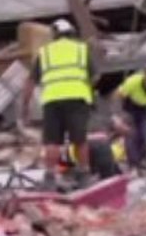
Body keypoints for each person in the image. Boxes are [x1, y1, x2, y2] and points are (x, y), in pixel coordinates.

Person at [21, 19, 96, 188]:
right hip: (77, 98)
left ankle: (50, 176)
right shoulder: (81, 49)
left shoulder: (45, 52)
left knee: (52, 141)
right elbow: (94, 76)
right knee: (79, 139)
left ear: (54, 34)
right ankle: (84, 174)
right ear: (71, 33)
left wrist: (25, 107)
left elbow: (31, 81)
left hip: (52, 100)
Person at [115, 66, 146, 169]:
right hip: (129, 107)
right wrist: (119, 116)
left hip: (144, 108)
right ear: (144, 74)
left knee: (145, 135)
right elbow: (119, 96)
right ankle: (133, 163)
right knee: (131, 134)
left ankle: (143, 159)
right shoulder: (133, 81)